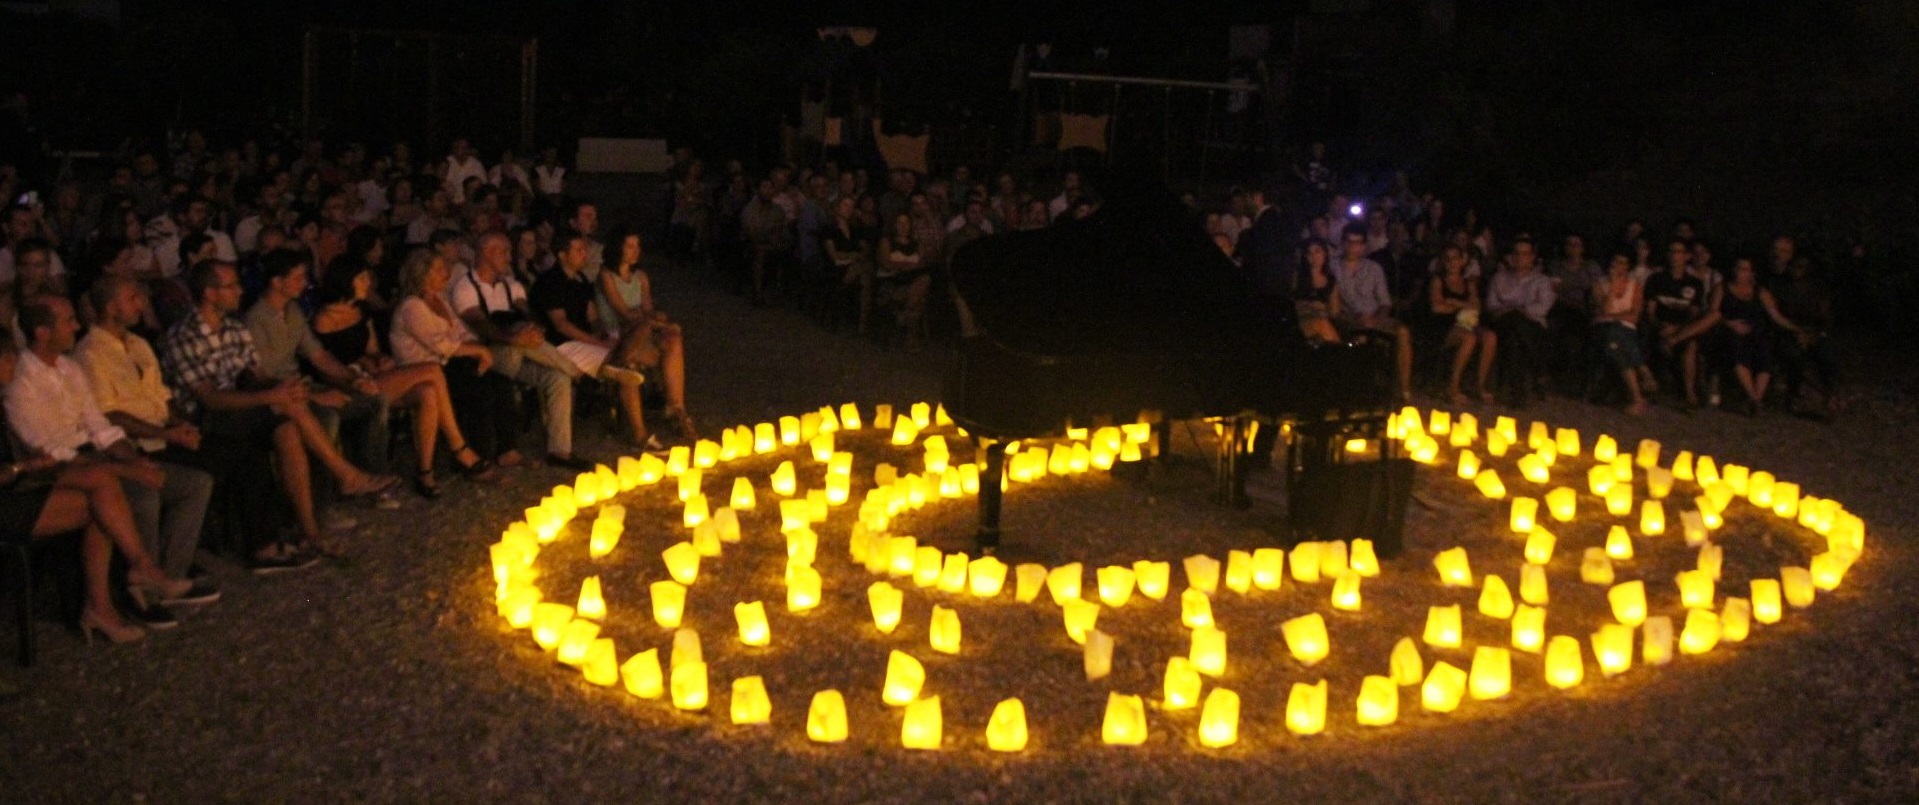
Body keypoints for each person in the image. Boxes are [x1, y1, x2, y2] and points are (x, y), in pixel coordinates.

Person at [164, 259, 396, 563]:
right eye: (231, 285)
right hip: (205, 418)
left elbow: (256, 375)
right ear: (209, 293)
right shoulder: (185, 335)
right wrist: (271, 394)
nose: (240, 290)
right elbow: (210, 399)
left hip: (243, 405)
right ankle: (345, 478)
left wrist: (283, 388)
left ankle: (311, 530)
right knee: (287, 405)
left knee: (287, 423)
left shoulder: (233, 327)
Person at [8, 294, 219, 624]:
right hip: (68, 468)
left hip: (100, 456)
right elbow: (48, 450)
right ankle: (145, 592)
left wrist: (131, 458)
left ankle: (166, 575)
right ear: (42, 332)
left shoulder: (68, 367)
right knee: (143, 495)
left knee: (194, 484)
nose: (77, 326)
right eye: (68, 321)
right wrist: (124, 468)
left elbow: (98, 424)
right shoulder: (19, 382)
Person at [309, 259, 495, 498]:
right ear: (345, 281)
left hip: (374, 376)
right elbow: (326, 363)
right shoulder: (324, 320)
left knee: (428, 391)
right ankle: (459, 448)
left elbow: (372, 350)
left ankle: (425, 471)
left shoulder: (361, 311)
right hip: (346, 383)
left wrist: (379, 359)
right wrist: (358, 371)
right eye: (362, 279)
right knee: (433, 371)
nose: (369, 283)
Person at [245, 250, 395, 491]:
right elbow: (266, 380)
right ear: (276, 282)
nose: (305, 283)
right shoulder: (255, 320)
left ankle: (372, 479)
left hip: (302, 386)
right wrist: (316, 396)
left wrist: (354, 378)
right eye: (298, 277)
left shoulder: (292, 310)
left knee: (375, 399)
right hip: (282, 397)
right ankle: (323, 501)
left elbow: (319, 356)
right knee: (327, 416)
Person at [452, 232, 594, 470]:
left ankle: (560, 450)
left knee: (556, 378)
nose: (510, 256)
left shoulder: (511, 285)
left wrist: (531, 329)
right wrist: (515, 337)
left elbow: (528, 313)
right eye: (504, 251)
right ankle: (579, 374)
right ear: (488, 253)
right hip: (485, 356)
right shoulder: (465, 288)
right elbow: (481, 325)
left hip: (520, 353)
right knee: (518, 335)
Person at [389, 249, 523, 468]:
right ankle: (479, 455)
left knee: (500, 382)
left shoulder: (441, 299)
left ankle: (506, 449)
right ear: (423, 273)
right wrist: (477, 351)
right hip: (423, 370)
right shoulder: (412, 306)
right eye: (440, 269)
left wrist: (477, 348)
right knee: (477, 389)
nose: (446, 273)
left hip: (451, 363)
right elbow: (440, 345)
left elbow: (461, 333)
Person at [531, 229, 655, 449]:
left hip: (588, 341)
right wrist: (596, 342)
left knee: (636, 351)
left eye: (585, 249)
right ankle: (639, 432)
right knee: (628, 364)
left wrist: (602, 333)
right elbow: (561, 325)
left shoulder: (580, 280)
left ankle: (619, 364)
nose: (584, 254)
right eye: (578, 250)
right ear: (562, 254)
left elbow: (592, 315)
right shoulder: (550, 282)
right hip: (563, 346)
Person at [1670, 258, 1804, 416]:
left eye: (1745, 269)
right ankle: (1753, 398)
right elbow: (1713, 314)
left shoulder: (1760, 291)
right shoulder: (1722, 288)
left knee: (1765, 352)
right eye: (1739, 268)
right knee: (1737, 349)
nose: (1740, 272)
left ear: (1752, 273)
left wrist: (1796, 328)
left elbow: (1775, 315)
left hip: (1756, 332)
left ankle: (1756, 398)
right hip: (1729, 330)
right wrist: (1729, 323)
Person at [596, 232, 695, 439]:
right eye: (630, 245)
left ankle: (676, 406)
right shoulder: (606, 275)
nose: (636, 250)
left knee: (672, 339)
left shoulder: (640, 276)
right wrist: (652, 319)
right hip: (618, 332)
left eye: (638, 245)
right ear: (618, 248)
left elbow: (647, 309)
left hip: (641, 331)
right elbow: (622, 313)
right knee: (653, 325)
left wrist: (657, 319)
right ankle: (622, 361)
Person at [1331, 225, 1414, 401]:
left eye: (1358, 243)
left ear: (1364, 245)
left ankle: (1404, 391)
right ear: (1343, 243)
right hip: (1348, 318)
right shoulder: (1333, 267)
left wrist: (1376, 319)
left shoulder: (1374, 268)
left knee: (1403, 332)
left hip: (1375, 317)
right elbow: (1334, 306)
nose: (1354, 247)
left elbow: (1385, 303)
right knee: (1361, 336)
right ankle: (1362, 390)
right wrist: (1355, 319)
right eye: (1350, 242)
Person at [1480, 237, 1556, 407]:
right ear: (1511, 256)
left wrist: (1517, 310)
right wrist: (1516, 310)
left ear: (1532, 257)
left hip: (1531, 327)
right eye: (1517, 253)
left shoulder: (1541, 281)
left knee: (1514, 335)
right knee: (1513, 321)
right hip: (1502, 323)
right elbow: (1492, 305)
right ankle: (1539, 370)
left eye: (1525, 254)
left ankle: (1517, 392)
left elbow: (1542, 308)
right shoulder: (1499, 278)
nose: (1520, 257)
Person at [1644, 239, 1708, 409]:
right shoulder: (1656, 279)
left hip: (1682, 329)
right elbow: (1650, 311)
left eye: (1679, 252)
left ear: (1687, 256)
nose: (1675, 256)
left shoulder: (1695, 283)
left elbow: (1694, 314)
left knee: (1691, 343)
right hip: (1661, 326)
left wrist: (1677, 329)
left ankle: (1689, 392)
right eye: (1672, 251)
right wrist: (1660, 325)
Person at [1592, 252, 1657, 415]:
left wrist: (1612, 316)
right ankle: (1643, 370)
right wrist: (1613, 286)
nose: (1618, 266)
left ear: (1628, 266)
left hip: (1625, 330)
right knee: (1613, 332)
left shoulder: (1635, 286)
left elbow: (1634, 316)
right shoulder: (1599, 285)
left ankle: (1637, 399)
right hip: (1602, 328)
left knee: (1614, 342)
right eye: (1615, 261)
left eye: (1622, 263)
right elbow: (1605, 309)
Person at [1422, 246, 1489, 403]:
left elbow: (1476, 306)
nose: (1452, 262)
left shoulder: (1468, 283)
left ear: (1462, 260)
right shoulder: (1438, 280)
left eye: (1455, 258)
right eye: (1448, 259)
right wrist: (1462, 305)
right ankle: (1453, 386)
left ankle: (1481, 386)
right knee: (1469, 338)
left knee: (1490, 337)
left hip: (1465, 322)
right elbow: (1437, 307)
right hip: (1443, 326)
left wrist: (1452, 302)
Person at [871, 212, 932, 350]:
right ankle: (911, 337)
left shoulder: (917, 244)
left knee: (924, 281)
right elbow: (886, 264)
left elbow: (921, 264)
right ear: (894, 225)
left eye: (906, 223)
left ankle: (902, 317)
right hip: (891, 282)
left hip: (911, 282)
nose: (904, 226)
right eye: (900, 223)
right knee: (919, 298)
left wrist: (902, 265)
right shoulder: (887, 242)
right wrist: (908, 265)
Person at [1292, 239, 1341, 344]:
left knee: (1323, 325)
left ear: (1325, 254)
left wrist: (1320, 309)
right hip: (1301, 320)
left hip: (1322, 320)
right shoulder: (1297, 277)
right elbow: (1291, 301)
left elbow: (1334, 312)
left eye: (1317, 251)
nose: (1313, 256)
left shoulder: (1331, 281)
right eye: (1309, 253)